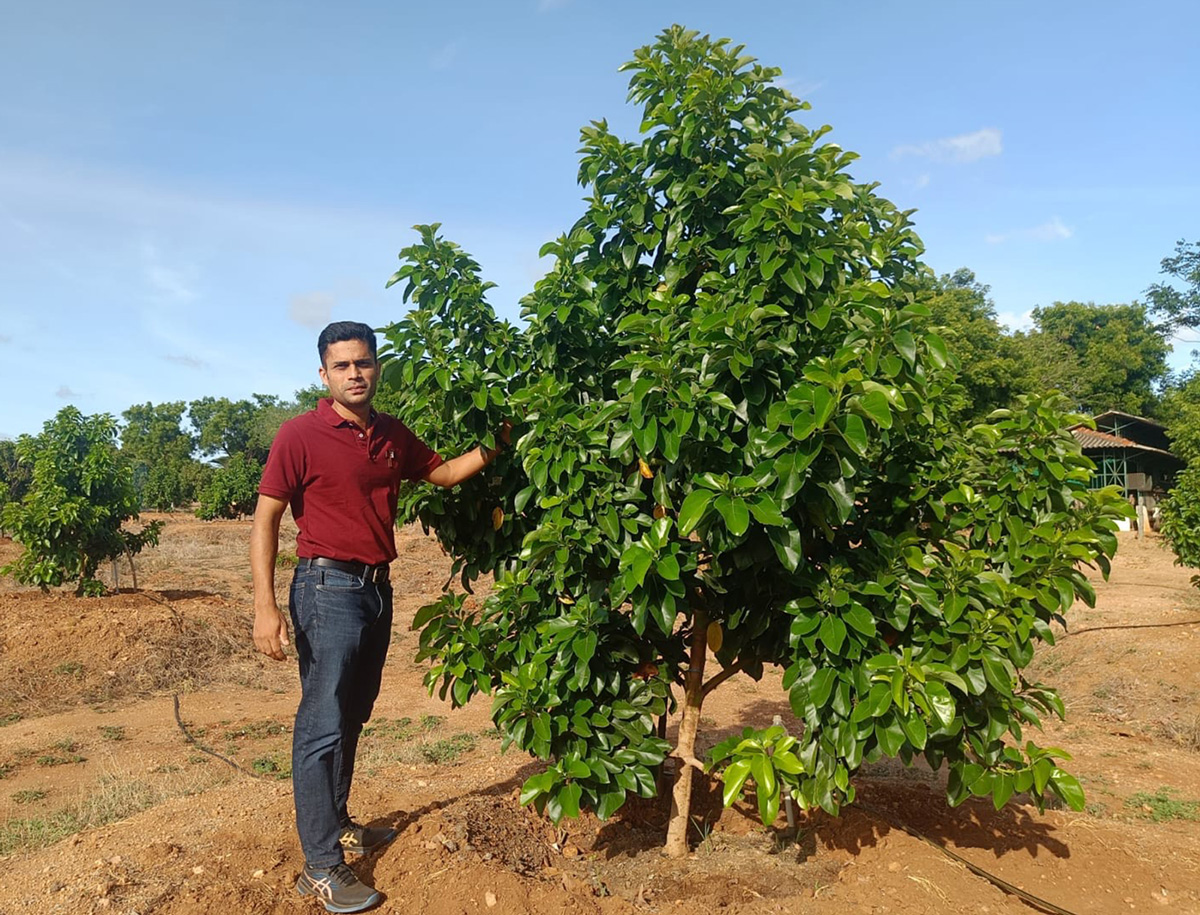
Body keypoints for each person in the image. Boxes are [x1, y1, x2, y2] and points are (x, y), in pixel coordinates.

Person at [250, 320, 508, 913]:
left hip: (375, 590)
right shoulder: (299, 435)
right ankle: (319, 868)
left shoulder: (392, 434)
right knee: (321, 724)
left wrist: (496, 445)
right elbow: (265, 520)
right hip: (324, 586)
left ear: (377, 367)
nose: (354, 374)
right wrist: (266, 607)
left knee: (352, 716)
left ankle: (338, 822)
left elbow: (441, 473)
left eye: (363, 363)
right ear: (324, 374)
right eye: (342, 366)